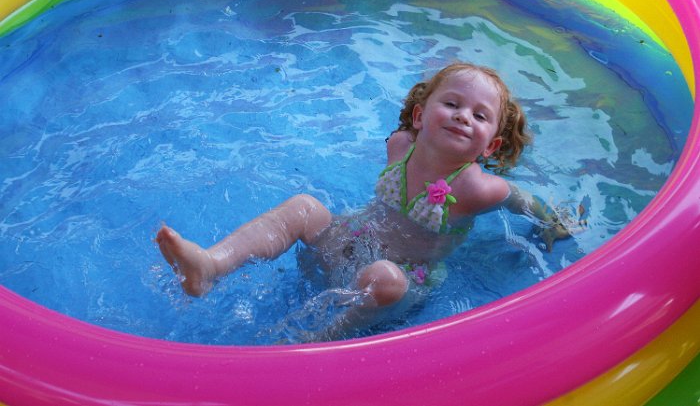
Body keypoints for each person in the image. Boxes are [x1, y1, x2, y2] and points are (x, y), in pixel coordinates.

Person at [156, 62, 569, 337]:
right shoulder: (400, 145)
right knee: (304, 207)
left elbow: (522, 200)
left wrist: (555, 222)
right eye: (453, 104)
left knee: (385, 277)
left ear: (491, 146)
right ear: (422, 116)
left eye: (480, 116)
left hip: (397, 278)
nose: (464, 116)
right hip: (344, 242)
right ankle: (211, 265)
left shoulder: (478, 188)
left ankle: (320, 341)